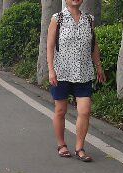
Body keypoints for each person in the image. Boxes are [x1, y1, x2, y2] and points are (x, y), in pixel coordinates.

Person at [46, 0, 106, 162]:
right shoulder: (57, 18)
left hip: (83, 72)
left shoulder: (89, 19)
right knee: (60, 110)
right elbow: (50, 46)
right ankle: (61, 144)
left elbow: (93, 45)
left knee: (85, 111)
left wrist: (98, 66)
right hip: (62, 73)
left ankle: (80, 147)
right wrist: (51, 70)